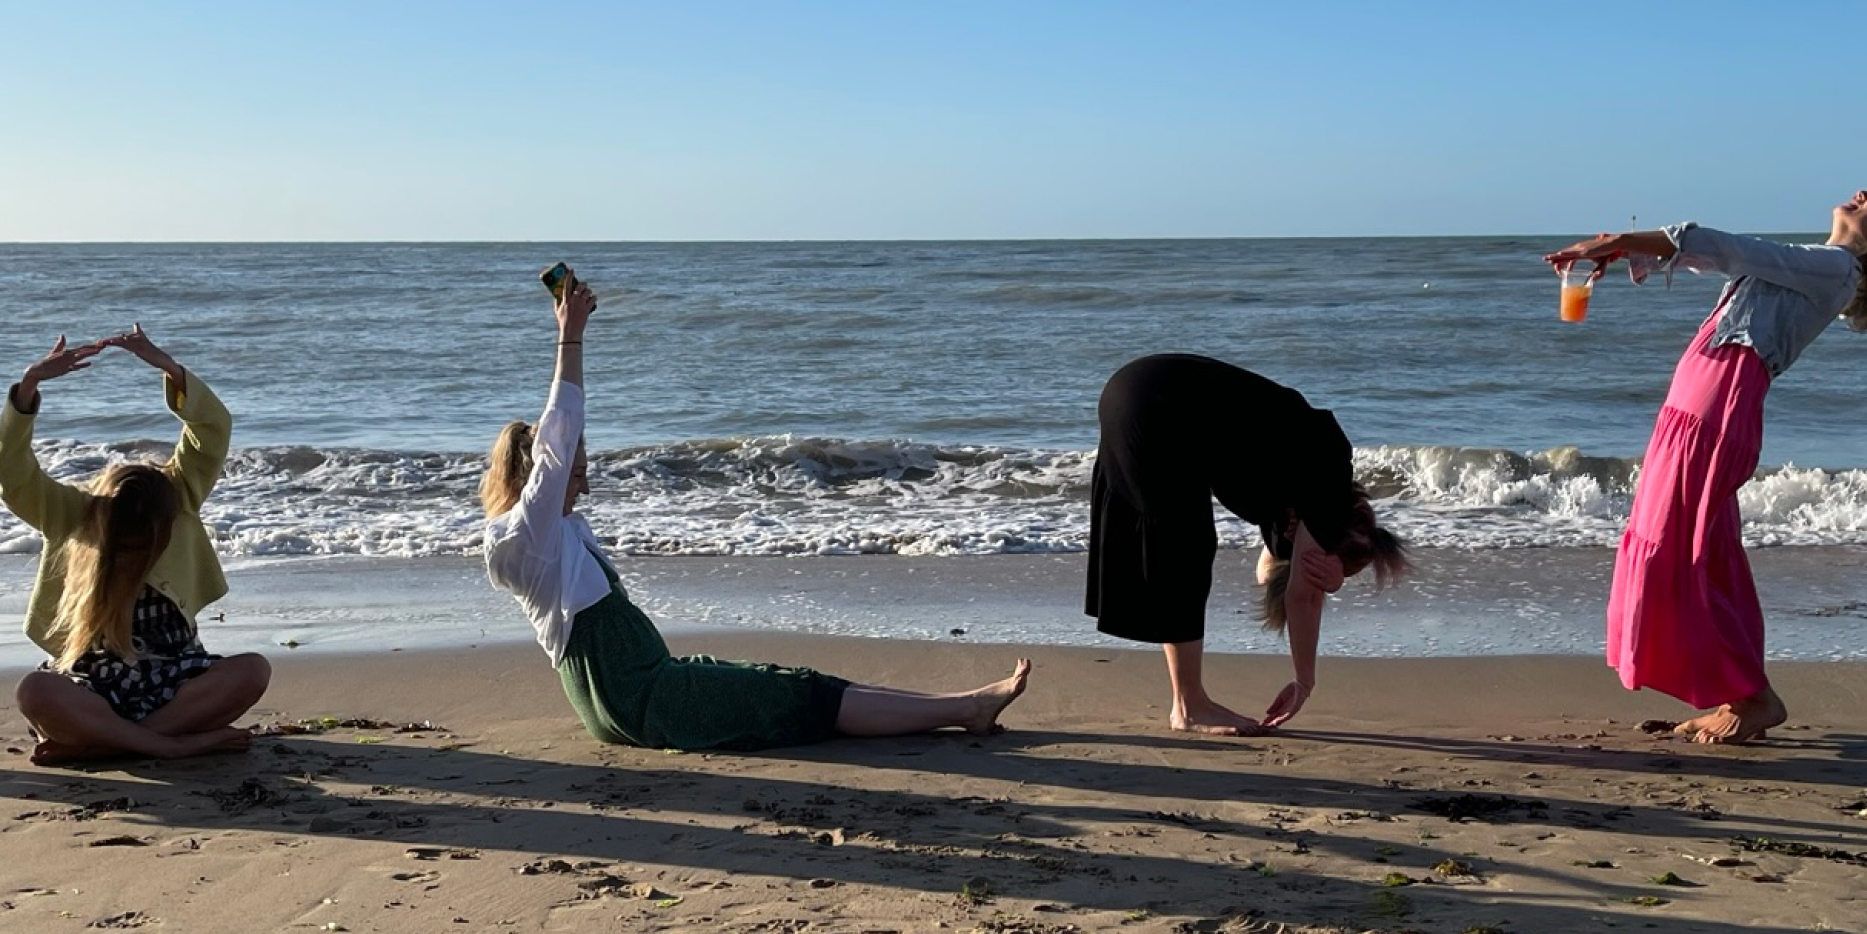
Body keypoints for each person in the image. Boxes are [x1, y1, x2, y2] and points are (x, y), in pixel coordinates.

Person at [482, 276, 1029, 750]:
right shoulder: (526, 539)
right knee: (800, 697)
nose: (584, 475)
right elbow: (559, 430)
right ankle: (965, 711)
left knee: (798, 683)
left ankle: (960, 703)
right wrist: (570, 336)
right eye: (576, 467)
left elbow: (558, 445)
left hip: (645, 691)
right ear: (541, 481)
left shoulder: (553, 536)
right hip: (646, 700)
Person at [1547, 189, 1867, 744]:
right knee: (1690, 546)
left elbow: (1728, 248)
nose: (1863, 194)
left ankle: (1754, 697)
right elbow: (1724, 257)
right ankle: (1740, 692)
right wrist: (1634, 251)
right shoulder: (1818, 264)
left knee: (1688, 549)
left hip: (1715, 407)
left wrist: (1623, 240)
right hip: (1693, 403)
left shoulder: (1836, 268)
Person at [0, 326, 272, 764]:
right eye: (126, 540)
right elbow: (12, 473)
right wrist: (28, 386)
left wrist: (170, 368)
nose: (135, 549)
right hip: (91, 681)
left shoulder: (180, 497)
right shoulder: (70, 512)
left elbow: (212, 429)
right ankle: (163, 745)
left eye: (146, 539)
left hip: (176, 676)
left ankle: (107, 744)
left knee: (253, 669)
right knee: (35, 690)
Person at [1087, 354, 1410, 736]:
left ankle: (1187, 703)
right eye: (1325, 556)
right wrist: (1304, 683)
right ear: (1349, 530)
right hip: (1158, 405)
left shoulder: (1292, 496)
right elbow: (1301, 596)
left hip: (1134, 390)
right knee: (1185, 550)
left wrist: (1325, 577)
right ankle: (1189, 707)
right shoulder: (1330, 478)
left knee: (1178, 547)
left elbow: (1267, 574)